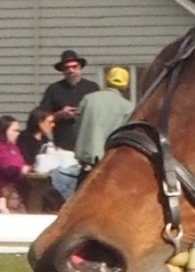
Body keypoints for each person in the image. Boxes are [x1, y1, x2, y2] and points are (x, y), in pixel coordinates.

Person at [53, 64, 133, 203]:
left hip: (87, 166)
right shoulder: (128, 107)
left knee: (79, 205)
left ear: (106, 81)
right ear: (126, 86)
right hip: (111, 169)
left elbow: (76, 127)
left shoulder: (88, 99)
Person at [37, 50, 98, 152]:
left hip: (88, 144)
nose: (71, 70)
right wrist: (60, 114)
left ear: (80, 67)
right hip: (63, 145)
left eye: (74, 67)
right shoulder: (54, 89)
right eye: (67, 68)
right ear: (62, 70)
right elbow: (41, 117)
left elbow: (98, 114)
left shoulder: (92, 88)